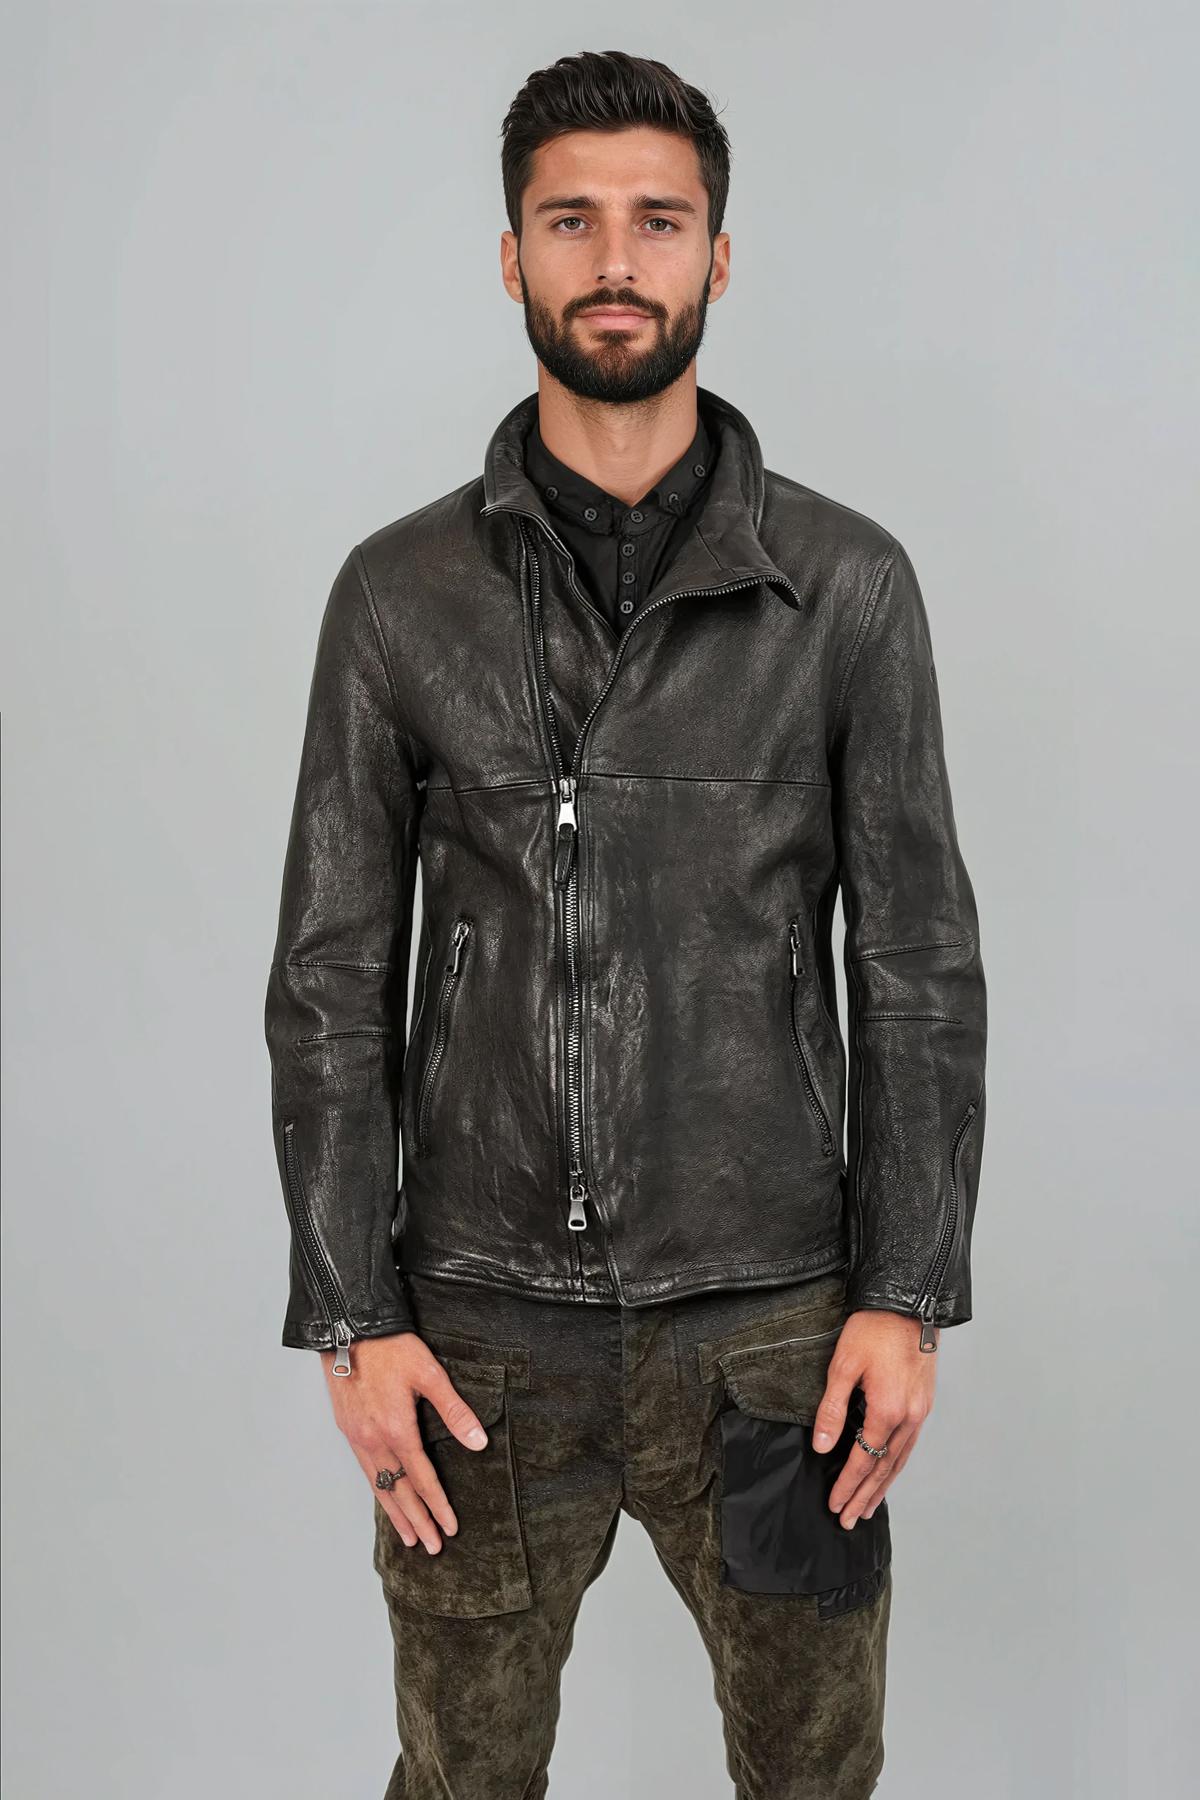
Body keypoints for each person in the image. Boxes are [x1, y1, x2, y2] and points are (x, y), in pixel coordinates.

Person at [264, 48, 987, 1800]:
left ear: (718, 256)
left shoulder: (847, 589)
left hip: (778, 1336)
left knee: (816, 1782)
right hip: (481, 1340)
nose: (615, 259)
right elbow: (330, 980)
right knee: (460, 1784)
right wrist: (355, 1317)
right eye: (570, 219)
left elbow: (915, 969)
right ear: (509, 254)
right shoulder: (399, 595)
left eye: (658, 222)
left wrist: (904, 1294)